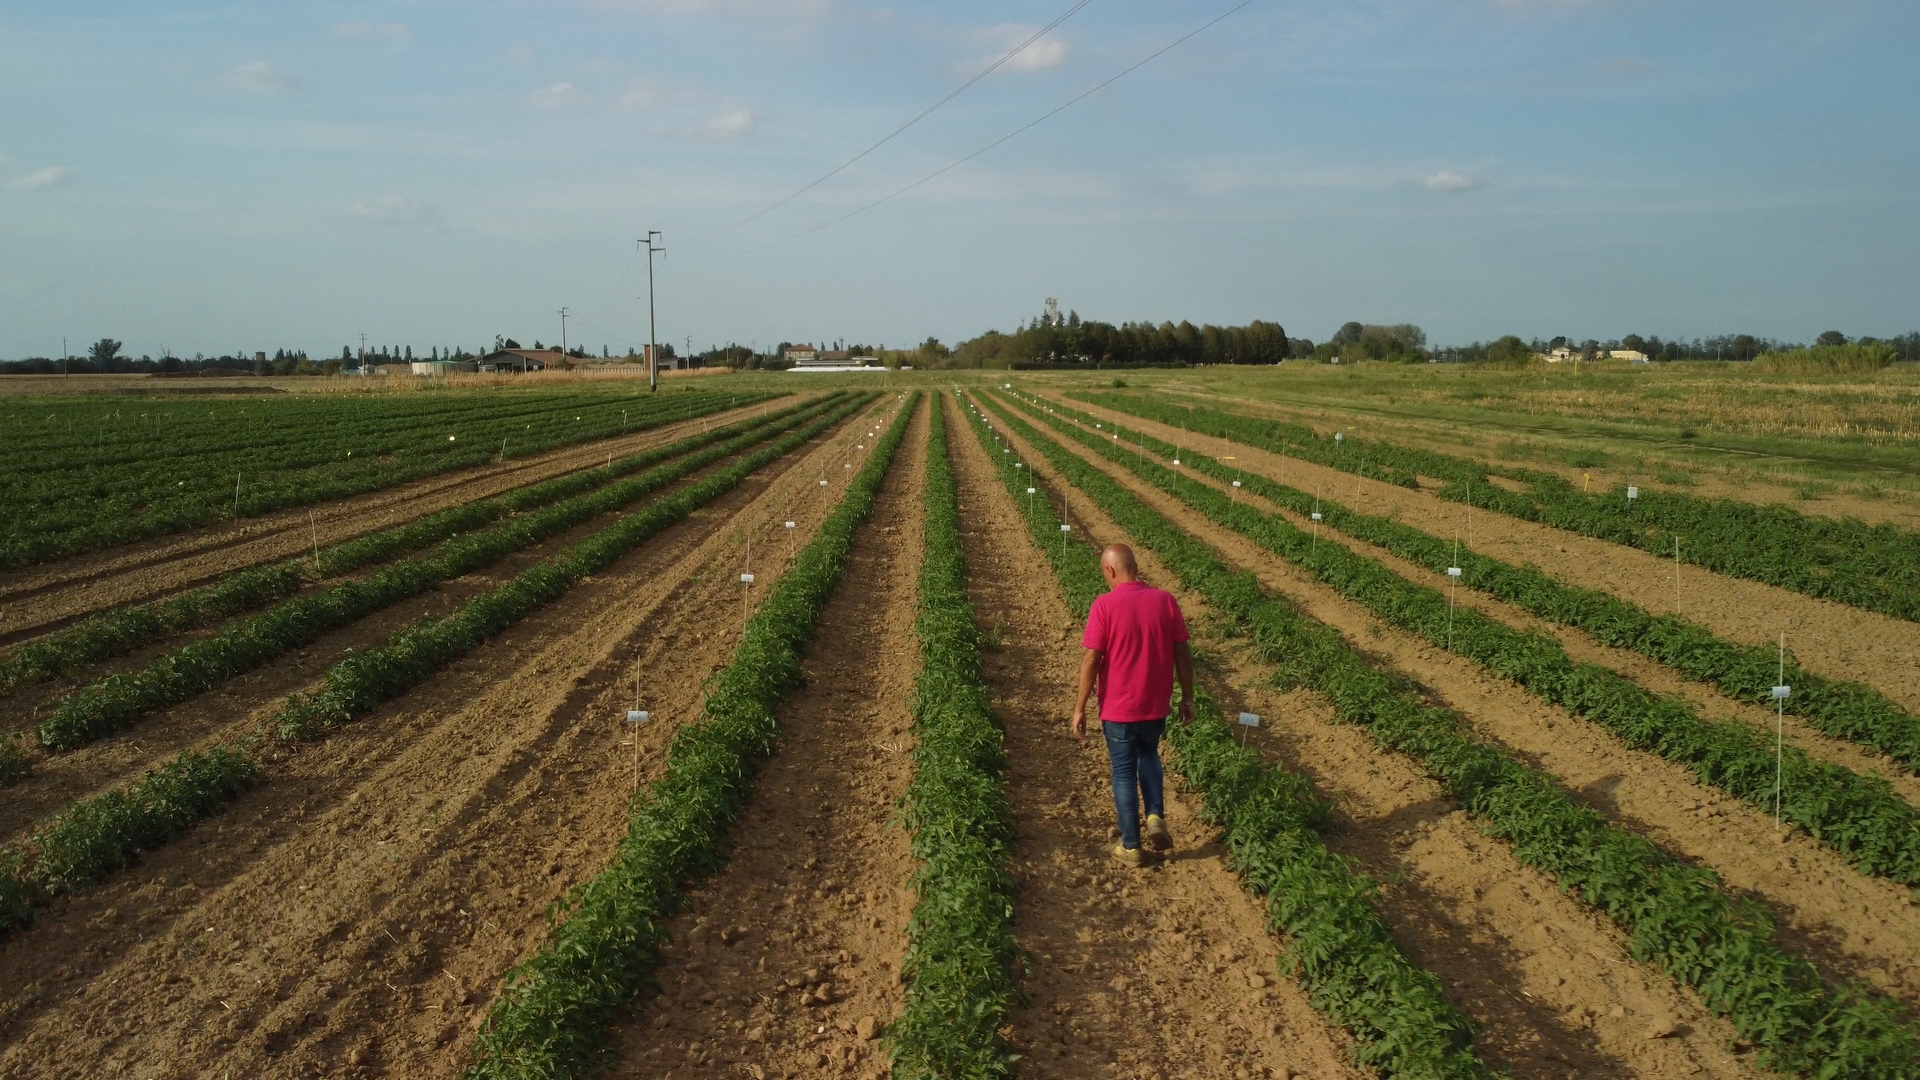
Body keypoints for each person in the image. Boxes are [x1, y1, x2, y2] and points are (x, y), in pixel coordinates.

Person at [1071, 543, 1195, 867]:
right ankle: (1155, 816)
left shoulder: (1104, 605)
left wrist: (1080, 707)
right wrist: (1188, 697)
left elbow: (1092, 660)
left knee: (1124, 772)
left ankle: (1131, 846)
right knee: (1149, 754)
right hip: (1155, 704)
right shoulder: (1165, 601)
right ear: (1135, 567)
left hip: (1119, 709)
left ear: (1110, 571)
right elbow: (1183, 653)